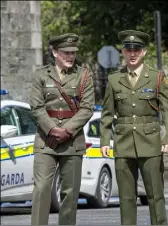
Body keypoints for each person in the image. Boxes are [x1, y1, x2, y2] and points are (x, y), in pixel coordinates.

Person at [99, 30, 168, 225]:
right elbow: (107, 113)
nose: (132, 53)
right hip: (123, 142)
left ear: (143, 52)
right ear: (123, 52)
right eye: (128, 49)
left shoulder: (156, 77)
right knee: (126, 198)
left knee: (155, 195)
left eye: (136, 49)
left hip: (150, 142)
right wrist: (104, 140)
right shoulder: (114, 79)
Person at [30, 33, 95, 225]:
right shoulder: (41, 75)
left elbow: (87, 108)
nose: (70, 56)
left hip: (72, 141)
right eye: (65, 52)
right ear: (55, 52)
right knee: (41, 188)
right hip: (45, 140)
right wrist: (52, 130)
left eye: (73, 53)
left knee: (70, 192)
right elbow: (36, 106)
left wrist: (66, 131)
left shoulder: (84, 75)